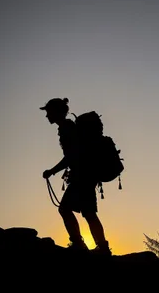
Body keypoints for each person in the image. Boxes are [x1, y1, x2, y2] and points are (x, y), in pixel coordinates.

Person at [40, 97, 111, 255]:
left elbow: (72, 155)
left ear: (57, 112)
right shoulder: (68, 127)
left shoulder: (66, 128)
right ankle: (102, 247)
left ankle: (80, 244)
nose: (47, 116)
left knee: (65, 209)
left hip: (82, 175)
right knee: (88, 212)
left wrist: (52, 171)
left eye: (49, 112)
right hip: (87, 174)